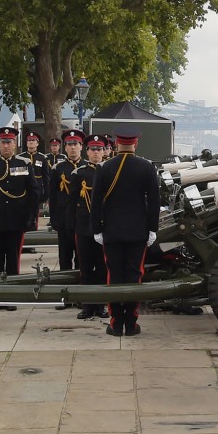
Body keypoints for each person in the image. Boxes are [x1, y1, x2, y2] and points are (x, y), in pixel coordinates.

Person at [90, 125, 160, 337]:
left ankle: (116, 322)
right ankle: (131, 322)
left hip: (112, 232)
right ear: (135, 143)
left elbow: (95, 203)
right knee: (134, 276)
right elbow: (154, 202)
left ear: (117, 143)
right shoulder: (147, 167)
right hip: (137, 232)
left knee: (114, 276)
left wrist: (97, 230)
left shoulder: (104, 168)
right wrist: (152, 230)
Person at [0, 126, 39, 311]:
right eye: (3, 142)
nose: (6, 146)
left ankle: (12, 296)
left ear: (15, 144)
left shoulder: (23, 164)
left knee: (13, 260)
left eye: (9, 142)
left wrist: (31, 217)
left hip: (16, 218)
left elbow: (33, 192)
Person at [67, 133, 109, 320]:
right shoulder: (79, 173)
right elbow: (72, 201)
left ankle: (100, 305)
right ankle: (87, 305)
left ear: (104, 151)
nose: (95, 153)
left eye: (99, 149)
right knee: (85, 267)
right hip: (84, 226)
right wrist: (71, 226)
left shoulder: (109, 171)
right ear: (87, 151)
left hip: (104, 226)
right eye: (92, 149)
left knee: (102, 267)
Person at [48, 129, 84, 275]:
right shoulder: (58, 169)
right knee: (65, 255)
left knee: (82, 256)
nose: (73, 147)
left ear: (81, 146)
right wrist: (54, 219)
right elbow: (53, 196)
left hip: (82, 219)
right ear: (65, 147)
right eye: (69, 144)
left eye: (76, 144)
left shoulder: (88, 167)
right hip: (64, 219)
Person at [19, 131, 50, 230]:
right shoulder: (21, 157)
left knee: (34, 214)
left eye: (33, 140)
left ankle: (33, 232)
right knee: (23, 214)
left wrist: (46, 193)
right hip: (24, 190)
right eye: (29, 140)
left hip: (37, 189)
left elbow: (46, 177)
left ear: (37, 143)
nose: (31, 142)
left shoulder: (42, 158)